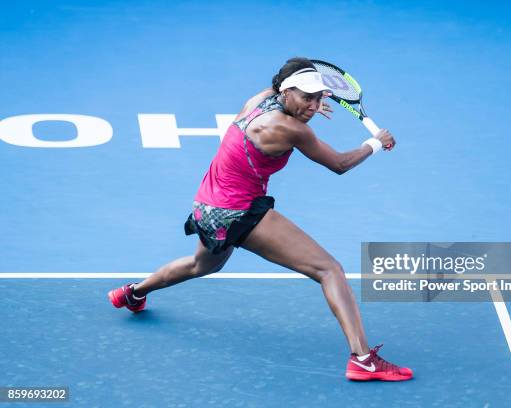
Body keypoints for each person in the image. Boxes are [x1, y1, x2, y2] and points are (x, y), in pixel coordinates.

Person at [108, 57, 412, 381]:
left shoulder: (261, 99)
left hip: (208, 207)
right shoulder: (291, 128)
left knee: (202, 265)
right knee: (330, 269)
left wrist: (305, 99)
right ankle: (362, 359)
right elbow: (339, 163)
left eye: (319, 97)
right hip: (239, 211)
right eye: (306, 97)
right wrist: (375, 142)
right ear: (287, 92)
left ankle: (133, 293)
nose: (314, 105)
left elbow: (288, 79)